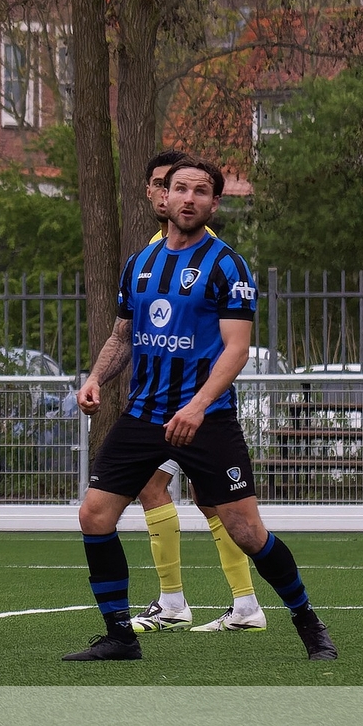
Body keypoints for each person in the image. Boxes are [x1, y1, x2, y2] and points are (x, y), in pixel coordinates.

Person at [63, 156, 337, 662]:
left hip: (206, 419)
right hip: (143, 415)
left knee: (246, 531)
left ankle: (307, 622)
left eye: (201, 191)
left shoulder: (227, 265)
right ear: (163, 196)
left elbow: (237, 349)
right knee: (94, 515)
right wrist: (96, 378)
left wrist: (197, 405)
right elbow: (122, 335)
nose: (189, 198)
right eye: (180, 189)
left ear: (214, 203)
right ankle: (120, 636)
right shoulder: (139, 263)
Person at [130, 151, 265, 634]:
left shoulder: (209, 255)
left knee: (210, 502)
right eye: (159, 184)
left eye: (173, 185)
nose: (163, 193)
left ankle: (191, 603)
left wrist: (199, 400)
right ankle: (229, 604)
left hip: (193, 405)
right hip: (158, 405)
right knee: (171, 489)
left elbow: (225, 341)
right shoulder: (149, 253)